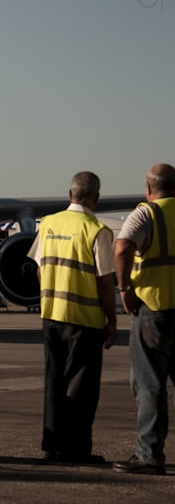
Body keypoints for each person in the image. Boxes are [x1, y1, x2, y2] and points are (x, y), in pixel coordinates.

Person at [27, 171, 117, 463]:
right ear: (97, 198)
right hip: (84, 318)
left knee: (53, 380)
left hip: (51, 314)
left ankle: (51, 446)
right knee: (81, 386)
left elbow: (40, 268)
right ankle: (76, 450)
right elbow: (105, 281)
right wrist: (111, 319)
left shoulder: (49, 223)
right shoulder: (97, 230)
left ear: (70, 194)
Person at [112, 163, 175, 476]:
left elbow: (122, 248)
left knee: (150, 384)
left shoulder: (147, 214)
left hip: (154, 309)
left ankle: (149, 455)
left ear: (149, 189)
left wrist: (124, 289)